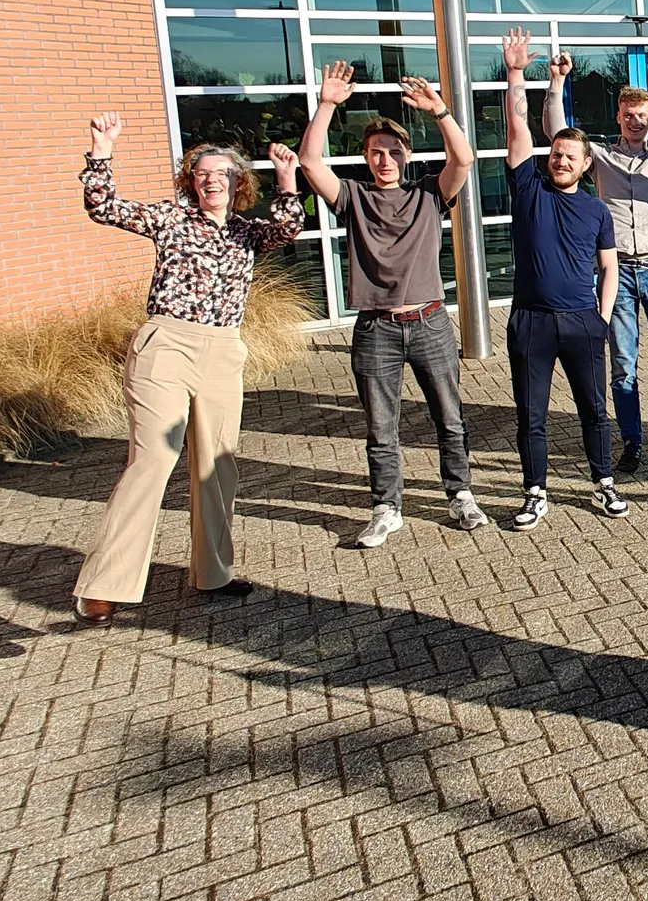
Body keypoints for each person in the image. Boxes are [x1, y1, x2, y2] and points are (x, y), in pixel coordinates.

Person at [72, 114, 304, 620]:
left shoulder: (248, 233)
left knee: (216, 465)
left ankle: (213, 573)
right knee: (153, 459)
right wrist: (102, 151)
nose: (211, 180)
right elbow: (104, 208)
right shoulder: (171, 220)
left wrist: (288, 179)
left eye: (222, 173)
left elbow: (288, 228)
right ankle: (105, 582)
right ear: (190, 182)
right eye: (201, 174)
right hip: (166, 346)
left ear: (238, 184)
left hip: (223, 350)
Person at [297, 63, 486, 547]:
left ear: (405, 156)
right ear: (364, 156)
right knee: (381, 428)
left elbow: (463, 160)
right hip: (375, 329)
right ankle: (386, 508)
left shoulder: (428, 193)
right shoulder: (353, 198)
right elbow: (311, 162)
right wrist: (326, 105)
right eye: (376, 151)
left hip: (429, 323)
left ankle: (460, 494)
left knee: (449, 417)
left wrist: (440, 111)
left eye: (393, 151)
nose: (385, 159)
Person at [542, 47, 648, 473]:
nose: (635, 121)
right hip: (619, 274)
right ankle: (632, 442)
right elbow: (560, 137)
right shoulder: (600, 158)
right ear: (618, 117)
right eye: (628, 114)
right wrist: (556, 83)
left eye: (642, 115)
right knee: (623, 367)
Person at [500, 32, 628, 526]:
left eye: (570, 156)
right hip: (530, 321)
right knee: (531, 416)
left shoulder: (597, 209)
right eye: (555, 153)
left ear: (585, 165)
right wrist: (517, 73)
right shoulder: (528, 188)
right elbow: (515, 126)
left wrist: (602, 315)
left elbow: (609, 265)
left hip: (582, 322)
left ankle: (603, 483)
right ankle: (534, 491)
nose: (560, 160)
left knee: (594, 410)